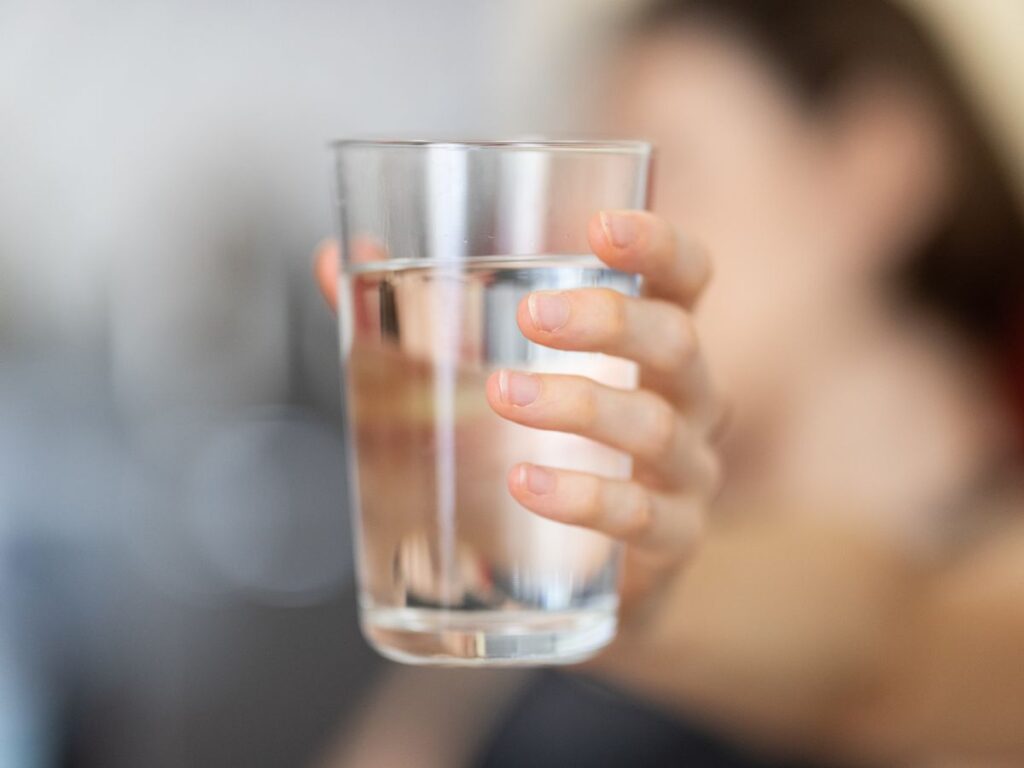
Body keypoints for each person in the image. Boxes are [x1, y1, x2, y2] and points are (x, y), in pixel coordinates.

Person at [314, 0, 1024, 765]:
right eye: (580, 185)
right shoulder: (563, 539)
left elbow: (888, 655)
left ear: (879, 165)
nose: (584, 230)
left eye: (667, 165)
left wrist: (649, 599)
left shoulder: (988, 565)